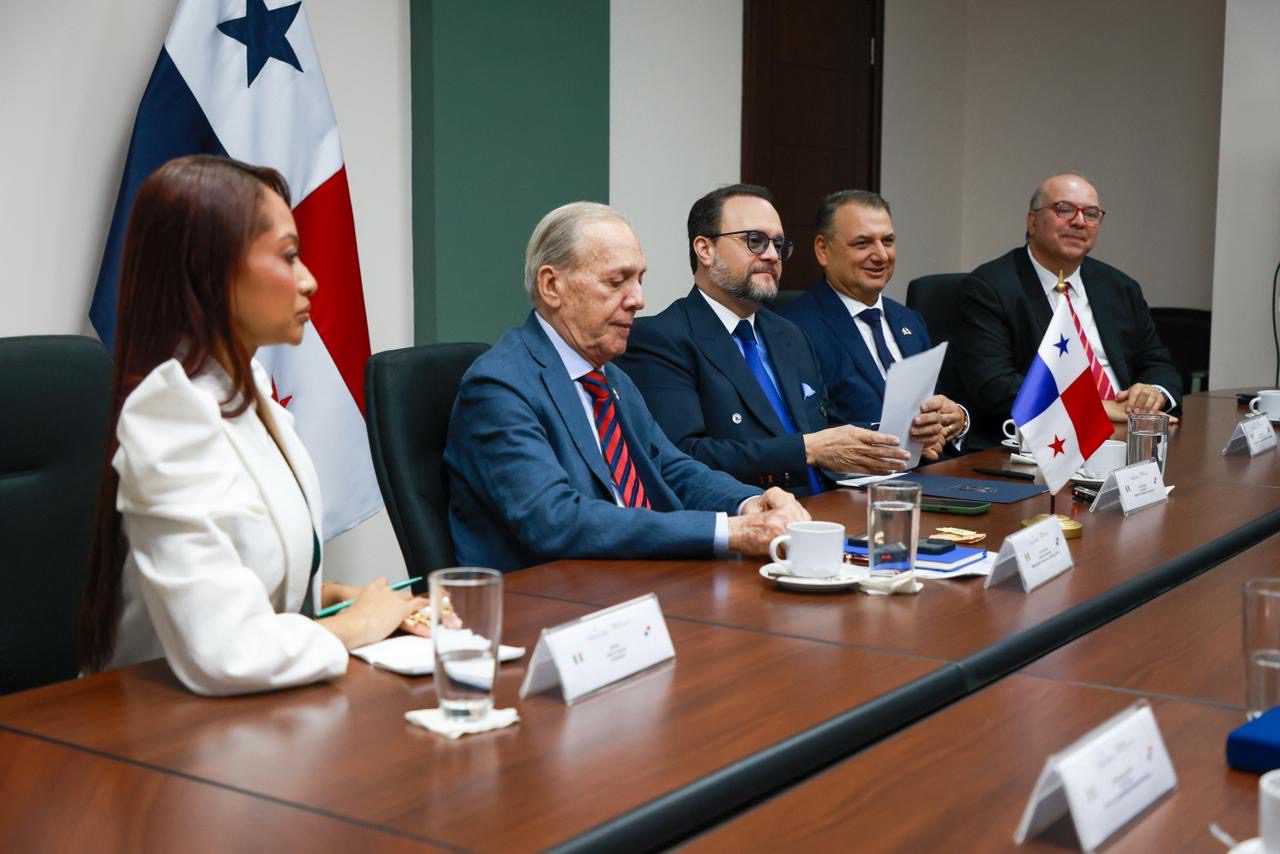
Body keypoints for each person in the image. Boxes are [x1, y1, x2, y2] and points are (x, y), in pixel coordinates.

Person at [78, 155, 428, 696]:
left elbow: (250, 576)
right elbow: (223, 651)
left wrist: (337, 596)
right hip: (158, 728)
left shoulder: (252, 388)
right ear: (214, 271)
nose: (309, 280)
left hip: (251, 714)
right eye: (288, 256)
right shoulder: (169, 415)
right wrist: (356, 627)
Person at [444, 201, 808, 571]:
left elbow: (670, 468)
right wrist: (727, 531)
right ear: (552, 286)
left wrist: (749, 504)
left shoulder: (610, 376)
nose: (638, 300)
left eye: (639, 280)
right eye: (616, 282)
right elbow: (554, 520)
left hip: (634, 577)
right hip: (550, 592)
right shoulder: (499, 387)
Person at [614, 184, 919, 495]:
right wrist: (804, 450)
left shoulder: (789, 334)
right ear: (705, 249)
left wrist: (905, 432)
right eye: (755, 241)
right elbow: (684, 457)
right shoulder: (661, 339)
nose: (773, 255)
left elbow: (829, 430)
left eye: (778, 244)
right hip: (749, 513)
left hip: (832, 506)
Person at [953, 172, 1182, 447]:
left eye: (1091, 214)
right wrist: (1096, 407)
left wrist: (1153, 394)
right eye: (1064, 209)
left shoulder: (1119, 287)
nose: (1079, 221)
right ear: (1032, 221)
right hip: (1043, 444)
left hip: (1125, 436)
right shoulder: (990, 287)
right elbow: (995, 385)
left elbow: (1158, 362)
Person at [778, 190, 969, 458]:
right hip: (857, 479)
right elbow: (812, 428)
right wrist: (904, 438)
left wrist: (956, 420)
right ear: (823, 250)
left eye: (887, 241)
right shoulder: (793, 328)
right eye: (862, 243)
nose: (881, 255)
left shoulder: (909, 320)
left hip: (935, 472)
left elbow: (936, 406)